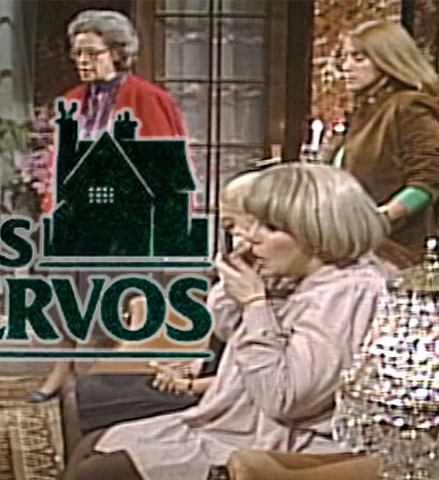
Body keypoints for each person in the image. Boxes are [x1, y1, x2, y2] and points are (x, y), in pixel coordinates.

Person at [61, 163, 389, 480]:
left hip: (287, 444)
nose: (251, 237)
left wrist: (255, 304)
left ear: (316, 234)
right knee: (92, 446)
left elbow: (284, 399)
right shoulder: (294, 273)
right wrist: (235, 279)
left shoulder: (349, 292)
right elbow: (224, 328)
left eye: (270, 228)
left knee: (99, 472)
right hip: (236, 422)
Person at [30, 9, 191, 402]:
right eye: (77, 54)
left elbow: (166, 166)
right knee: (66, 293)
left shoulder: (148, 99)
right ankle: (62, 368)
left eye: (92, 53)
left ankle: (110, 376)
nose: (82, 61)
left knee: (121, 297)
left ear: (118, 53)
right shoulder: (71, 101)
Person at [71, 169, 261, 432]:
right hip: (206, 378)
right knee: (91, 389)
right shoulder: (241, 276)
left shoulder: (268, 293)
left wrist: (188, 384)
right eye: (230, 227)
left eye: (246, 224)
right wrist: (190, 367)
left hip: (224, 401)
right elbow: (224, 346)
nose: (238, 236)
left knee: (95, 402)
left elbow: (253, 383)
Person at [336, 19, 439, 259]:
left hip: (393, 251)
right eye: (345, 58)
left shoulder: (408, 106)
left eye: (358, 59)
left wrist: (382, 218)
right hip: (354, 245)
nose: (347, 67)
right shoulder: (365, 112)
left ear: (387, 61)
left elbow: (429, 178)